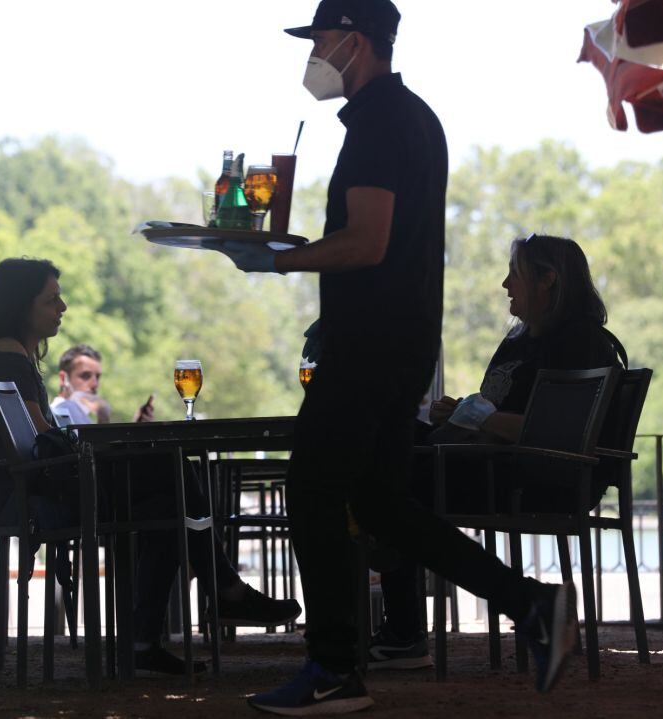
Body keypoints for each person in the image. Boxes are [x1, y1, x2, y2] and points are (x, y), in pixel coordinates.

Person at [212, 2, 580, 713]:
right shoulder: (413, 116)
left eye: (319, 40)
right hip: (403, 342)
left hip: (369, 343)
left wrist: (274, 262)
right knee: (380, 500)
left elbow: (367, 243)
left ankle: (333, 666)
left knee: (313, 487)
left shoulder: (379, 122)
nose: (311, 55)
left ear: (354, 41)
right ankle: (532, 603)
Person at [0, 258, 301, 675]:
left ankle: (146, 641)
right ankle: (224, 589)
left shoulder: (1, 355)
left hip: (31, 491)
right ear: (20, 306)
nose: (62, 307)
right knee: (170, 468)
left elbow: (40, 444)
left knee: (165, 500)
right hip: (32, 500)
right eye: (52, 300)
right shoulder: (6, 358)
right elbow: (40, 445)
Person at [370, 234, 623, 671]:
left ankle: (403, 630)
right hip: (488, 461)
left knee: (387, 482)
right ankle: (402, 626)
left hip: (532, 478)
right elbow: (503, 409)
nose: (506, 285)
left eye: (516, 274)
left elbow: (556, 431)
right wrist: (464, 413)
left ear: (548, 281)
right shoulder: (521, 340)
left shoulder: (579, 343)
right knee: (380, 441)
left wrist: (479, 417)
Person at [50, 344, 154, 425]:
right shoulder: (61, 411)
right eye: (85, 376)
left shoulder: (80, 416)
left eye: (97, 377)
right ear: (63, 378)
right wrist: (103, 418)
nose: (95, 384)